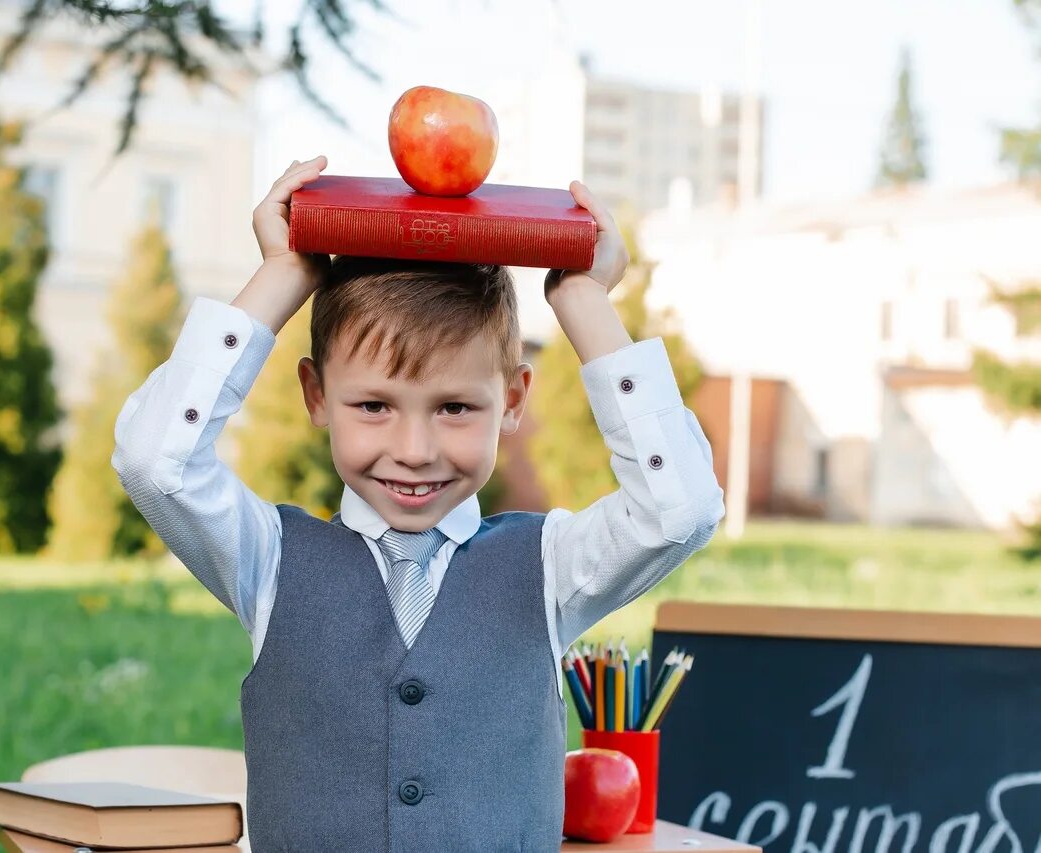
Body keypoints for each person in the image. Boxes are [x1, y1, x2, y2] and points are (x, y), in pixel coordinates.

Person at [112, 155, 725, 852]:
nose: (413, 448)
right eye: (373, 404)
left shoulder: (552, 568)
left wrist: (586, 301)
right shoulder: (269, 559)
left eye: (455, 407)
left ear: (514, 399)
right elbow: (154, 461)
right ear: (316, 395)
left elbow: (681, 508)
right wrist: (283, 276)